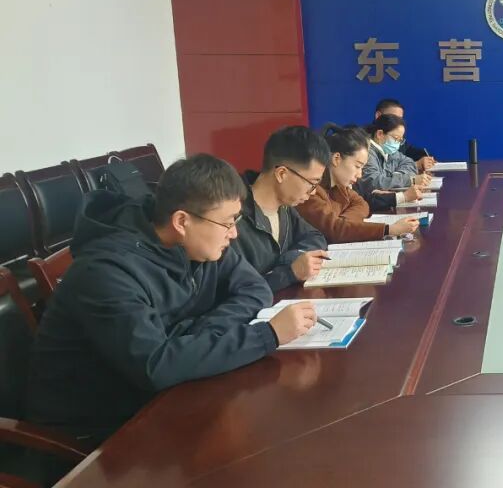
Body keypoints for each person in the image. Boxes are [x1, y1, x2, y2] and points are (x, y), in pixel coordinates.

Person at [25, 154, 318, 452]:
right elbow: (156, 366)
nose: (234, 233)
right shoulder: (106, 272)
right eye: (227, 222)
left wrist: (194, 336)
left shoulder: (200, 242)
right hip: (95, 433)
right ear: (181, 221)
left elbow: (254, 288)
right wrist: (267, 335)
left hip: (166, 396)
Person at [235, 126, 331, 292]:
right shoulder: (233, 221)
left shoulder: (284, 207)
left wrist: (291, 259)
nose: (313, 192)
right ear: (281, 174)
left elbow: (314, 236)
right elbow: (238, 293)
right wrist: (289, 272)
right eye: (312, 183)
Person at [298, 124, 420, 243]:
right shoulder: (311, 190)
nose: (360, 174)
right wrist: (389, 230)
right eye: (357, 166)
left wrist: (344, 223)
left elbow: (362, 204)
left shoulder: (340, 186)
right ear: (336, 159)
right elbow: (335, 230)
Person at [361, 114, 430, 191]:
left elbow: (409, 163)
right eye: (396, 138)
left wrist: (397, 177)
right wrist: (410, 180)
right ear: (380, 134)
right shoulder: (367, 152)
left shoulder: (389, 151)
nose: (397, 144)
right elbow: (374, 183)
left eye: (400, 140)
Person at [374, 98, 434, 171]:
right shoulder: (365, 142)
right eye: (394, 118)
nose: (398, 122)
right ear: (378, 115)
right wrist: (416, 166)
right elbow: (384, 174)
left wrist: (425, 158)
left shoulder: (396, 143)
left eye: (400, 119)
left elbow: (409, 153)